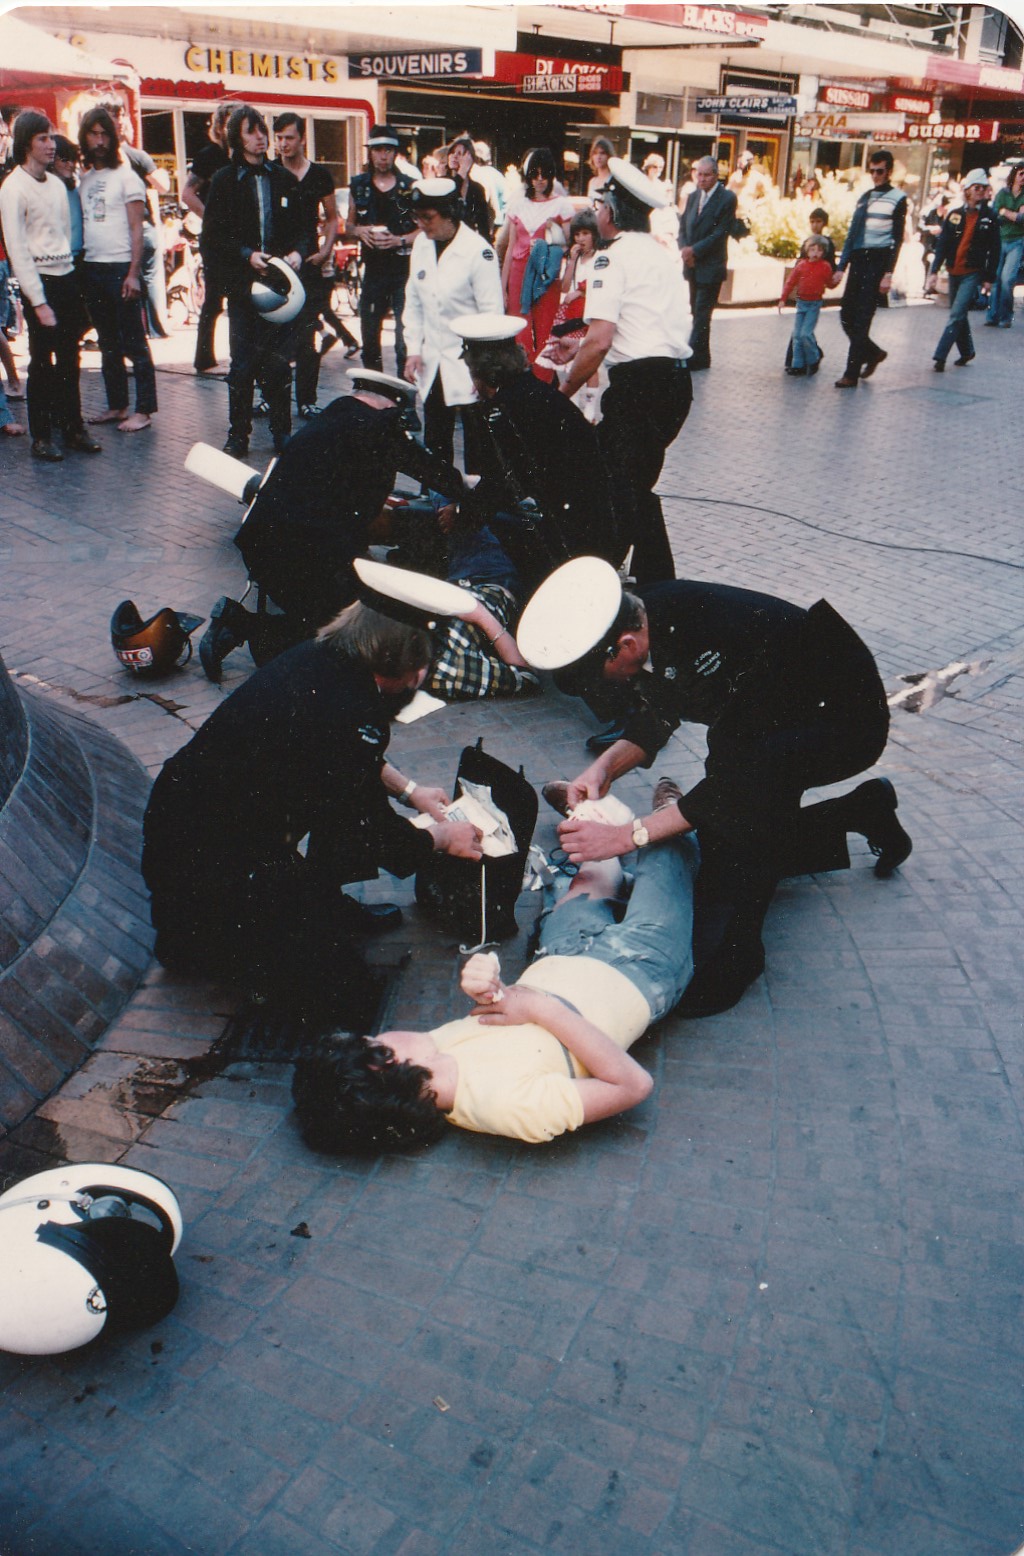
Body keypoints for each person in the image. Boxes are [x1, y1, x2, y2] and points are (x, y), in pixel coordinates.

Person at [517, 558, 913, 1019]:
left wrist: (625, 837)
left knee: (749, 825)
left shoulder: (709, 635)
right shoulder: (645, 616)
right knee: (722, 846)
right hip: (776, 718)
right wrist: (603, 770)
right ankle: (861, 810)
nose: (617, 686)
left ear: (625, 644)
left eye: (610, 675)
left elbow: (737, 784)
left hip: (843, 722)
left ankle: (741, 957)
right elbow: (660, 711)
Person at [142, 580, 484, 1026]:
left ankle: (306, 904)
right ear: (408, 664)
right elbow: (371, 830)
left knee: (334, 814)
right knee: (346, 995)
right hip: (211, 863)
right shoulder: (349, 706)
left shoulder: (322, 659)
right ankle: (217, 940)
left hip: (199, 831)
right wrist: (442, 838)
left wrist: (409, 791)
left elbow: (350, 760)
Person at [292, 824, 698, 1149]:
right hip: (638, 969)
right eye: (378, 1042)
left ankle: (599, 822)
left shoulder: (431, 1057)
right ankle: (665, 811)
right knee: (665, 854)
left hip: (563, 950)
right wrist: (539, 1009)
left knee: (594, 864)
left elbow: (508, 1022)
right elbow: (632, 1085)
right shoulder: (510, 1107)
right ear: (385, 1064)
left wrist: (488, 985)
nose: (386, 1034)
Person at [196, 368, 469, 679]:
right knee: (359, 627)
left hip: (262, 548)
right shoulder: (380, 426)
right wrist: (466, 493)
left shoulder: (331, 417)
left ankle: (248, 627)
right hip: (308, 557)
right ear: (390, 405)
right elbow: (429, 469)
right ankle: (243, 625)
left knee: (330, 619)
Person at [549, 157, 691, 585]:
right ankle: (645, 580)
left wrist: (563, 391)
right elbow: (640, 327)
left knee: (617, 487)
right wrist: (577, 346)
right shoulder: (660, 255)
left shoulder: (611, 260)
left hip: (640, 388)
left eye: (600, 204)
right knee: (630, 487)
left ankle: (626, 581)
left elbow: (602, 339)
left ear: (610, 211)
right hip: (674, 384)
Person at [454, 312, 620, 579]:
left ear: (483, 373)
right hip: (592, 525)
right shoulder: (535, 393)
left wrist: (460, 515)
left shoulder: (508, 409)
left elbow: (501, 482)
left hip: (571, 540)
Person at [200, 104, 303, 455]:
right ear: (236, 138)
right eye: (251, 131)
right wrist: (247, 254)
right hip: (242, 287)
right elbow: (213, 237)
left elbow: (303, 229)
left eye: (262, 130)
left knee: (278, 364)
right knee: (242, 364)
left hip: (277, 285)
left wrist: (298, 253)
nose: (260, 137)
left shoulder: (283, 178)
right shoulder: (224, 180)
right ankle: (238, 434)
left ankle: (281, 433)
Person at [0, 109, 99, 462]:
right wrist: (38, 301)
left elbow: (63, 235)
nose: (51, 145)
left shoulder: (57, 185)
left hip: (66, 276)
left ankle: (72, 427)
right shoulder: (13, 188)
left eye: (51, 137)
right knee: (42, 360)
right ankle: (41, 436)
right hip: (39, 282)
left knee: (71, 356)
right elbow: (17, 250)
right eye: (43, 138)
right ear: (27, 144)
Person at [401, 177, 503, 466]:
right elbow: (414, 302)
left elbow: (492, 315)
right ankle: (437, 492)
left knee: (477, 448)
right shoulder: (422, 245)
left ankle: (476, 494)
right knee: (435, 443)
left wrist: (485, 370)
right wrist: (413, 349)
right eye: (417, 217)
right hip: (433, 362)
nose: (421, 224)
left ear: (449, 214)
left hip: (470, 367)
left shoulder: (478, 252)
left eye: (428, 217)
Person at [78, 107, 158, 434]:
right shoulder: (85, 180)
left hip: (121, 267)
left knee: (134, 343)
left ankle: (144, 410)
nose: (99, 141)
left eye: (104, 135)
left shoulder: (127, 177)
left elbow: (137, 228)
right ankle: (117, 405)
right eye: (93, 134)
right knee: (108, 343)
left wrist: (133, 273)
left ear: (113, 138)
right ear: (85, 137)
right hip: (93, 268)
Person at [273, 112, 339, 418]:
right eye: (279, 138)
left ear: (302, 139)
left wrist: (325, 250)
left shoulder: (319, 175)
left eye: (289, 138)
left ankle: (306, 400)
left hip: (310, 263)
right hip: (277, 264)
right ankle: (272, 398)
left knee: (307, 334)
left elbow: (332, 217)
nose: (283, 144)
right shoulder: (271, 172)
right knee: (275, 336)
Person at [832, 149, 908, 389]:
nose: (875, 176)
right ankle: (873, 353)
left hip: (878, 261)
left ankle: (851, 374)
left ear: (889, 172)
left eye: (880, 171)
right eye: (872, 171)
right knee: (846, 315)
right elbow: (852, 234)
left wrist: (888, 273)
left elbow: (897, 240)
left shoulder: (898, 198)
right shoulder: (865, 197)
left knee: (863, 318)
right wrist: (841, 267)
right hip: (859, 260)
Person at [346, 123, 417, 376]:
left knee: (403, 340)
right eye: (377, 150)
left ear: (395, 152)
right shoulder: (359, 185)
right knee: (370, 340)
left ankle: (403, 391)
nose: (383, 156)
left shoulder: (409, 186)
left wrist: (400, 240)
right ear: (370, 152)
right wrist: (359, 231)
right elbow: (348, 225)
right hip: (373, 272)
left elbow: (423, 230)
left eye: (388, 150)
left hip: (403, 272)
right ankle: (374, 391)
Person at [99, 99, 171, 339]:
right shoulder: (136, 155)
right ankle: (155, 330)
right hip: (139, 227)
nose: (119, 120)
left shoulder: (98, 157)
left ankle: (136, 332)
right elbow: (162, 185)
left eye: (120, 115)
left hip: (120, 230)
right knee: (150, 279)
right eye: (115, 115)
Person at [501, 148, 574, 371]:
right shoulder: (518, 204)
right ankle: (522, 379)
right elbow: (510, 248)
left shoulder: (562, 205)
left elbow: (570, 245)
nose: (540, 179)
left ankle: (543, 380)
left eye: (545, 174)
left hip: (546, 276)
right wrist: (502, 288)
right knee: (519, 328)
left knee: (545, 329)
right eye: (535, 174)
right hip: (518, 273)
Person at [925, 170, 1001, 371]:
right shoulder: (955, 215)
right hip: (953, 270)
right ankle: (967, 351)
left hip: (972, 272)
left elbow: (995, 249)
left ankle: (940, 356)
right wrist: (934, 271)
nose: (980, 191)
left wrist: (989, 278)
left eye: (983, 188)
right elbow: (943, 244)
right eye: (977, 187)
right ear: (967, 190)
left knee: (956, 314)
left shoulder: (990, 216)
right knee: (959, 314)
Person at [677, 155, 738, 372]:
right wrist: (685, 249)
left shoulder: (727, 198)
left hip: (711, 265)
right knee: (696, 312)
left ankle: (693, 357)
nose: (701, 179)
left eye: (706, 175)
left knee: (703, 313)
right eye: (699, 174)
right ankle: (702, 357)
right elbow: (683, 225)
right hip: (692, 264)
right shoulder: (693, 196)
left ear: (716, 175)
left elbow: (720, 233)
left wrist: (695, 250)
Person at [183, 101, 232, 372]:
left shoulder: (244, 156)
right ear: (220, 126)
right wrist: (211, 218)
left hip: (241, 237)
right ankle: (204, 359)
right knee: (214, 297)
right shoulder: (209, 155)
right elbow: (187, 193)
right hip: (215, 239)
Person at [778, 237, 840, 376]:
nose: (815, 253)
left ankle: (814, 358)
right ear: (807, 251)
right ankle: (797, 364)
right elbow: (790, 282)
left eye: (819, 250)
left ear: (823, 252)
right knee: (797, 335)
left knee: (805, 334)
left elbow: (829, 283)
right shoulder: (801, 265)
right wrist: (783, 298)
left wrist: (836, 280)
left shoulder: (825, 266)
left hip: (814, 303)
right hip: (801, 302)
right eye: (812, 249)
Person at [984, 162, 1024, 327]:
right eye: (1021, 174)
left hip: (1017, 240)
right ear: (1014, 175)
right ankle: (992, 315)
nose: (1023, 178)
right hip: (1000, 239)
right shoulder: (1002, 193)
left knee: (1008, 279)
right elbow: (995, 213)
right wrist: (1013, 214)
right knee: (996, 278)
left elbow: (1021, 219)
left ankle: (1006, 316)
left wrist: (1004, 211)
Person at [446, 135, 493, 242]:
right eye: (452, 152)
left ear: (469, 158)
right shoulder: (444, 182)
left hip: (468, 241)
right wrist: (462, 171)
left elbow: (483, 225)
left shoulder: (477, 189)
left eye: (459, 153)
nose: (454, 156)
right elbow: (451, 193)